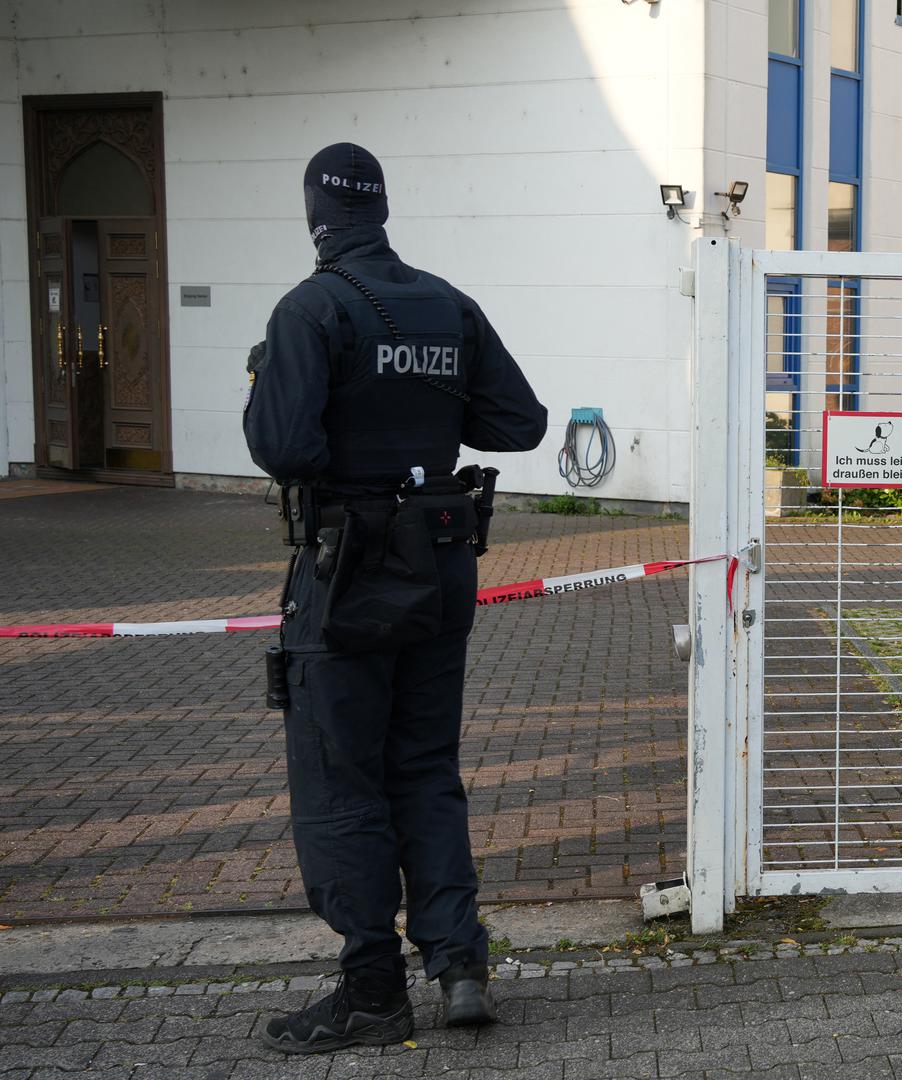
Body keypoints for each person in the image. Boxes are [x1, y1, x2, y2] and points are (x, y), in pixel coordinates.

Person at [244, 143, 547, 1053]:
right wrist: (424, 408)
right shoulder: (447, 304)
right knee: (425, 765)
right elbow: (518, 423)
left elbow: (283, 448)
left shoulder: (310, 309)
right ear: (381, 209)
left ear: (315, 217)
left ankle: (373, 992)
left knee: (343, 778)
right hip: (442, 561)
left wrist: (284, 378)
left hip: (346, 576)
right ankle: (459, 965)